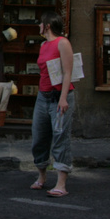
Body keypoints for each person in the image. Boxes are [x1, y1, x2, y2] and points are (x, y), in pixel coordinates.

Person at [30, 10, 76, 197]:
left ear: (47, 25)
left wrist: (64, 98)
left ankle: (61, 184)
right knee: (39, 137)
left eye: (41, 23)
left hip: (59, 96)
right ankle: (41, 177)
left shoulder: (62, 43)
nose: (39, 26)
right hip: (43, 96)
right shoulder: (43, 45)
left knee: (60, 137)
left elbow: (67, 72)